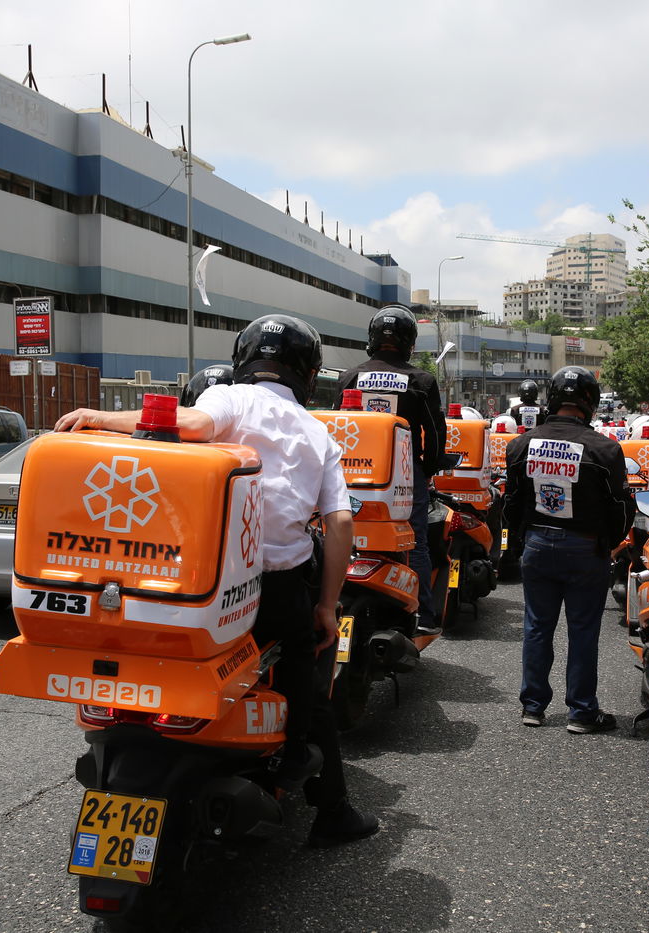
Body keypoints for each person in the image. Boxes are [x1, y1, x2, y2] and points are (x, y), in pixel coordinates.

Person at [55, 314, 377, 848]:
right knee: (311, 681)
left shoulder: (231, 398)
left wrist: (99, 416)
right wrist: (326, 606)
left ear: (244, 359)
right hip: (276, 589)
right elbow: (340, 522)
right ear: (308, 371)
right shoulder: (317, 431)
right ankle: (325, 802)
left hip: (198, 587)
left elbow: (195, 427)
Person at [504, 366, 633, 734]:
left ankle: (533, 707)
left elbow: (511, 503)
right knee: (582, 630)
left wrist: (520, 542)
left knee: (537, 627)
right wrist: (608, 545)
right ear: (590, 402)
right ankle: (581, 711)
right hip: (585, 548)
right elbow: (621, 509)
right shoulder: (605, 449)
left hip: (537, 543)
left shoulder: (521, 444)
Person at [337, 304, 447, 635]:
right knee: (414, 544)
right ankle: (423, 617)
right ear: (409, 341)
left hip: (351, 473)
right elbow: (436, 434)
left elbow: (334, 426)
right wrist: (426, 470)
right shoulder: (422, 380)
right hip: (403, 473)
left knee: (342, 538)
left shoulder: (349, 376)